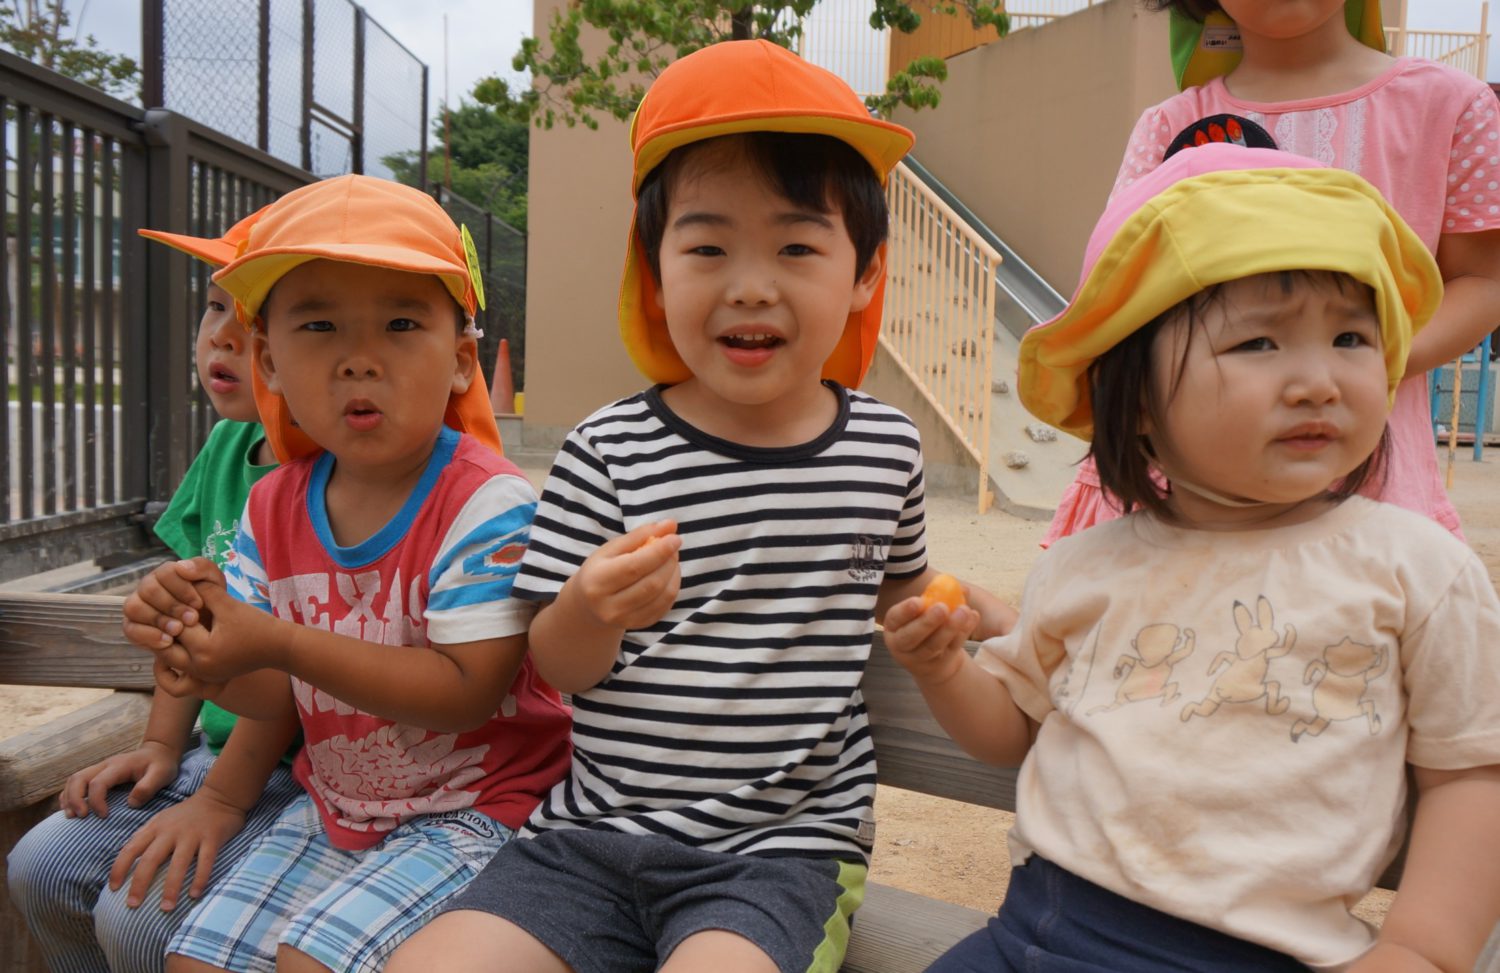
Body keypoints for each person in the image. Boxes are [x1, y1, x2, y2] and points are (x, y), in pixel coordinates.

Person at [386, 39, 1016, 973]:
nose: (750, 283)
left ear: (866, 275)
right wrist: (591, 607)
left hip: (777, 855)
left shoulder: (886, 448)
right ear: (656, 269)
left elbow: (905, 586)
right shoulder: (607, 448)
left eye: (798, 246)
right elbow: (556, 664)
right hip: (587, 839)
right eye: (708, 245)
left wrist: (988, 618)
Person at [884, 142, 1500, 971]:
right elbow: (1014, 730)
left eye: (1353, 337)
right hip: (1037, 927)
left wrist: (1423, 948)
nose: (1318, 380)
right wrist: (942, 671)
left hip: (1260, 953)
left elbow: (1472, 772)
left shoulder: (1415, 570)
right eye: (1259, 345)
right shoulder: (1087, 562)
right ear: (1134, 398)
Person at [121, 174, 572, 973]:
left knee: (310, 962)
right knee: (193, 961)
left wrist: (278, 642)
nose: (359, 359)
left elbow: (466, 688)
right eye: (319, 326)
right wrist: (196, 649)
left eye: (401, 324)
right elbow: (266, 693)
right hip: (335, 805)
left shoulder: (485, 501)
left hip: (482, 808)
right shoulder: (272, 506)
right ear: (269, 361)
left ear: (463, 361)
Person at [1044, 0, 1500, 545]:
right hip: (1189, 494)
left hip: (1370, 480)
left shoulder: (1448, 106)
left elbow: (1484, 279)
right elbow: (1125, 300)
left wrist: (1363, 360)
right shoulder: (1168, 126)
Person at [6, 210, 305, 973]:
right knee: (38, 867)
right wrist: (159, 745)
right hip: (212, 747)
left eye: (258, 316)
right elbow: (185, 618)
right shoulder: (229, 445)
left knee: (141, 921)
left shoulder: (332, 482)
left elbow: (294, 682)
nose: (225, 338)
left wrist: (219, 798)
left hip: (299, 770)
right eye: (215, 306)